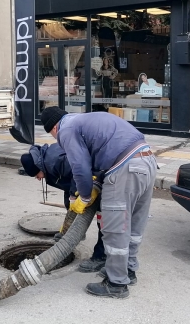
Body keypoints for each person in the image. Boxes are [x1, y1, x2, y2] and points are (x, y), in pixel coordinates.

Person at [39, 106, 158, 299]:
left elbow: (79, 167)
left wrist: (85, 197)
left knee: (115, 229)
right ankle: (128, 271)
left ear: (53, 129)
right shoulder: (84, 120)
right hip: (147, 161)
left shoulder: (66, 130)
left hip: (125, 169)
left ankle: (116, 284)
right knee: (134, 226)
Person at [20, 144, 107, 272]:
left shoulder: (53, 161)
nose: (38, 179)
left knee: (103, 221)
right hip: (91, 177)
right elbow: (67, 180)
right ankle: (73, 234)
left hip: (101, 177)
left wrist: (74, 195)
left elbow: (78, 171)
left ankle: (101, 257)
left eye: (36, 175)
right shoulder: (46, 159)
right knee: (74, 204)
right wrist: (68, 225)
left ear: (37, 167)